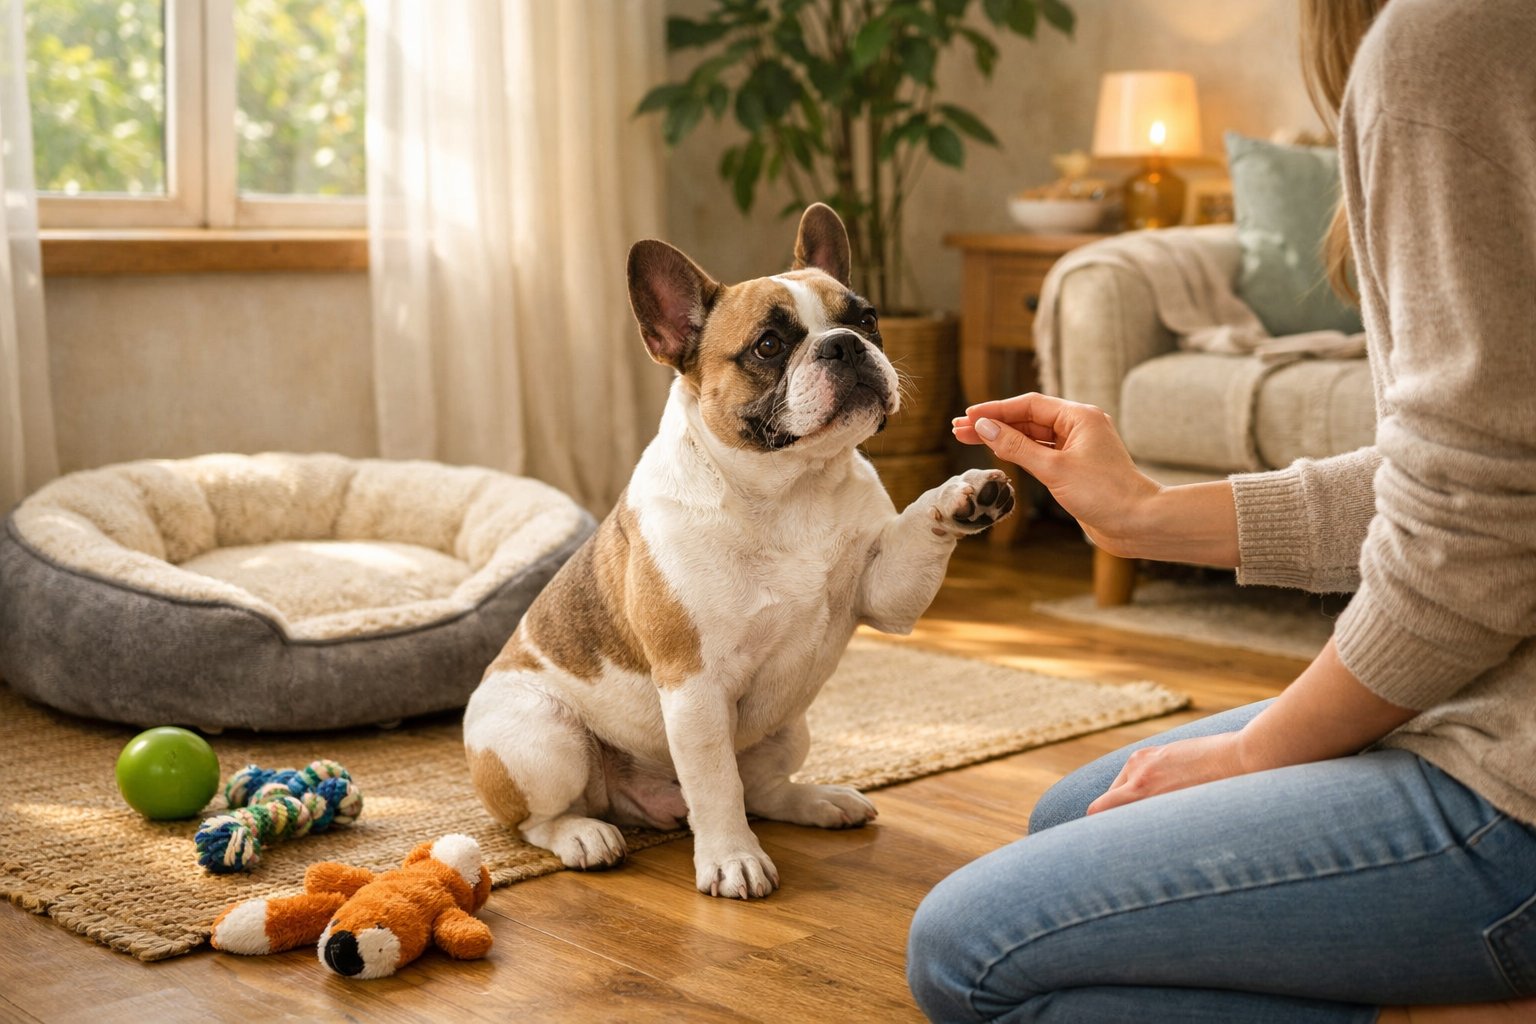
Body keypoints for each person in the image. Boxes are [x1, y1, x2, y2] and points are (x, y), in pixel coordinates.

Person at [905, 0, 1536, 1020]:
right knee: (1070, 814)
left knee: (969, 954)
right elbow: (1480, 471)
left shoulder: (1450, 37)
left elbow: (1472, 544)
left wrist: (1250, 753)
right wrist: (1148, 514)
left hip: (1521, 781)